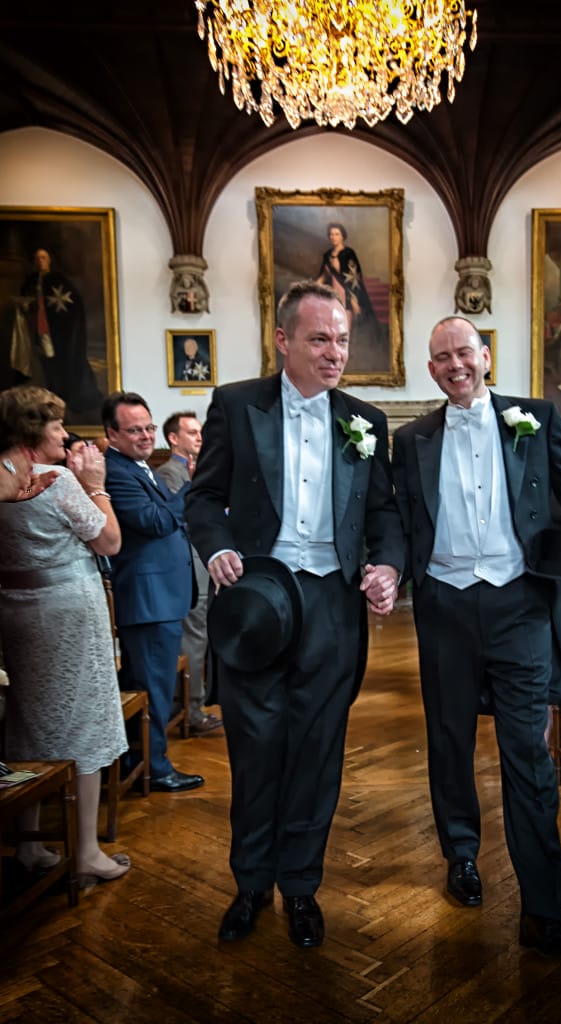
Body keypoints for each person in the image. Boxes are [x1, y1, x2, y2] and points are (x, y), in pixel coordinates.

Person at [391, 317, 561, 958]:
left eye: (464, 353)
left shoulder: (534, 418)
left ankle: (544, 911)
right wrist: (387, 567)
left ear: (485, 356)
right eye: (442, 357)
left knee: (529, 754)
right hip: (444, 607)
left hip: (519, 607)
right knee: (448, 741)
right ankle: (461, 857)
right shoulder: (411, 439)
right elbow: (398, 518)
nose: (455, 365)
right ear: (431, 369)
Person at [185, 280, 404, 949]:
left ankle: (301, 886)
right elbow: (203, 497)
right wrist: (218, 547)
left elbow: (383, 512)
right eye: (319, 339)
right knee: (255, 750)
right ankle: (251, 884)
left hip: (333, 606)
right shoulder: (235, 405)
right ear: (283, 340)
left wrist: (388, 566)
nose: (335, 352)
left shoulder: (366, 420)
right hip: (257, 601)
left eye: (342, 340)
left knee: (317, 750)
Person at [0, 385, 130, 885]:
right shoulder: (58, 481)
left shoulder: (5, 482)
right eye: (56, 426)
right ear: (34, 431)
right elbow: (109, 541)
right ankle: (87, 852)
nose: (64, 434)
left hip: (15, 609)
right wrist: (97, 485)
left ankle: (29, 846)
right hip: (70, 610)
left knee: (28, 717)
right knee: (85, 719)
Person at [102, 391, 204, 793]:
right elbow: (156, 521)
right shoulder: (117, 472)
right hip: (148, 600)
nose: (146, 436)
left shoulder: (138, 466)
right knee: (154, 690)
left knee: (152, 688)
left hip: (161, 596)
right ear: (112, 433)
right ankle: (155, 767)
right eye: (135, 430)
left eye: (149, 427)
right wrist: (192, 488)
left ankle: (142, 760)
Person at [156, 411, 221, 737]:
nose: (199, 437)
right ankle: (191, 711)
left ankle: (197, 703)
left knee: (202, 636)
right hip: (188, 562)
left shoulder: (197, 469)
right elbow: (179, 519)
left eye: (200, 432)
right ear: (173, 438)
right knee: (194, 638)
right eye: (192, 432)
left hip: (204, 560)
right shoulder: (169, 472)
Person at [12, 248, 102, 417]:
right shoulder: (30, 282)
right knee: (43, 363)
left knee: (58, 363)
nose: (40, 261)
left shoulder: (60, 281)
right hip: (37, 330)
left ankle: (61, 396)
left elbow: (71, 305)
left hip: (57, 333)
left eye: (43, 258)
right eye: (37, 258)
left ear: (49, 260)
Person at [315, 222, 387, 374]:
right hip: (333, 297)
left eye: (337, 234)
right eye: (331, 234)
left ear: (342, 236)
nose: (334, 237)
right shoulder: (327, 255)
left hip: (347, 295)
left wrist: (355, 299)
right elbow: (323, 276)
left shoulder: (348, 254)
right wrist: (310, 288)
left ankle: (344, 362)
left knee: (344, 331)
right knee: (332, 329)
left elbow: (355, 278)